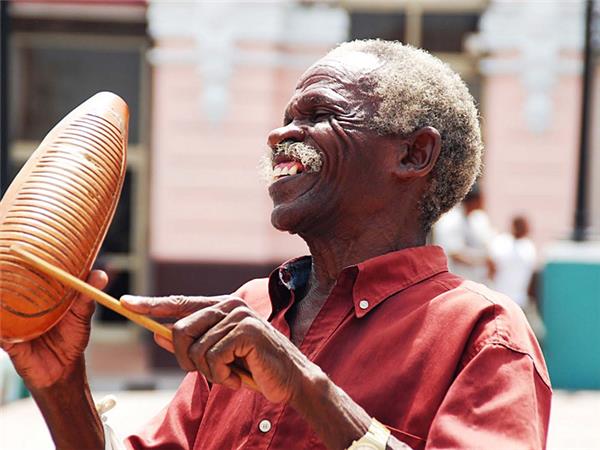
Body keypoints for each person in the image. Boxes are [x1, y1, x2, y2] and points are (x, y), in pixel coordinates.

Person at [2, 40, 551, 450]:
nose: (279, 134)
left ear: (413, 155)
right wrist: (60, 383)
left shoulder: (483, 333)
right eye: (287, 117)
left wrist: (306, 387)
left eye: (318, 115)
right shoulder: (254, 310)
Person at [432, 187, 495, 284]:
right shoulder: (450, 220)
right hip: (456, 282)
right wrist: (482, 262)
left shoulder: (478, 219)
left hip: (477, 281)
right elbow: (455, 254)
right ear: (474, 200)